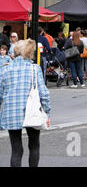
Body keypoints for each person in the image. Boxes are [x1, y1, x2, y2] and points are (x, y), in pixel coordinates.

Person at [0, 39, 50, 167]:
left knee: (16, 150)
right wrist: (47, 111)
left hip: (11, 113)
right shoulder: (34, 69)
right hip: (31, 111)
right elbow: (44, 93)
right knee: (34, 146)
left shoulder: (5, 70)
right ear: (29, 53)